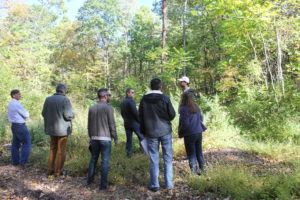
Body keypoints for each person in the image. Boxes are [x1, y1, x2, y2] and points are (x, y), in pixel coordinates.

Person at [139, 78, 176, 192]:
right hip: (165, 131)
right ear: (161, 87)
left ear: (150, 87)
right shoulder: (165, 98)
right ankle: (169, 184)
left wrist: (144, 132)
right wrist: (164, 119)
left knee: (154, 158)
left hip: (151, 132)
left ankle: (155, 184)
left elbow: (140, 117)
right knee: (167, 158)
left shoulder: (144, 99)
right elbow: (172, 114)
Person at [87, 88, 118, 190]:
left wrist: (91, 137)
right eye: (108, 95)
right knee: (105, 162)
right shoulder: (109, 108)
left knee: (93, 159)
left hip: (94, 138)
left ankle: (89, 181)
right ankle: (103, 186)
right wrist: (115, 138)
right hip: (105, 139)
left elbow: (89, 125)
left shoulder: (91, 108)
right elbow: (112, 125)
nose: (109, 97)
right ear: (105, 96)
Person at [42, 84, 75, 177]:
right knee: (61, 150)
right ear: (64, 91)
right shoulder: (65, 100)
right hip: (63, 130)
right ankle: (58, 171)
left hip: (51, 129)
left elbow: (43, 113)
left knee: (52, 149)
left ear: (56, 90)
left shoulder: (48, 99)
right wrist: (73, 114)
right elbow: (68, 115)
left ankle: (50, 170)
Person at [178, 92, 206, 174]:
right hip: (198, 132)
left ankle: (193, 173)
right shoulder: (196, 107)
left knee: (191, 154)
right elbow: (201, 118)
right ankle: (202, 170)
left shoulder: (183, 109)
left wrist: (181, 131)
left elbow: (185, 123)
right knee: (199, 153)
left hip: (189, 134)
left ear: (183, 99)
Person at [8, 89, 31, 166]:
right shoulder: (16, 104)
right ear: (13, 95)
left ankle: (15, 162)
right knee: (26, 143)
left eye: (19, 94)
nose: (20, 95)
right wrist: (27, 113)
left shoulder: (10, 103)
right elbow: (26, 115)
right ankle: (23, 162)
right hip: (20, 126)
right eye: (18, 94)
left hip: (14, 126)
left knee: (15, 145)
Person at [120, 88, 143, 157]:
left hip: (126, 123)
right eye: (132, 92)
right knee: (141, 136)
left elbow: (122, 113)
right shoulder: (131, 101)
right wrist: (139, 121)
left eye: (134, 92)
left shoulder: (122, 102)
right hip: (134, 123)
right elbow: (135, 113)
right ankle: (143, 151)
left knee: (129, 139)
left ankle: (129, 153)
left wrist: (125, 119)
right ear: (128, 93)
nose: (134, 94)